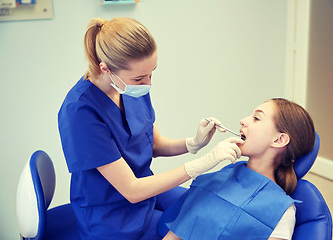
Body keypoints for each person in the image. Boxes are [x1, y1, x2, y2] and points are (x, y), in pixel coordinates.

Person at [58, 17, 242, 240]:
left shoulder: (130, 87)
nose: (148, 84)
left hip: (149, 192)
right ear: (106, 69)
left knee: (208, 207)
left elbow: (154, 143)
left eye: (151, 73)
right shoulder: (80, 111)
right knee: (197, 229)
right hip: (112, 216)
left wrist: (193, 143)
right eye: (139, 78)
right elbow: (132, 190)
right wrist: (203, 163)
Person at [159, 98, 316, 240]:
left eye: (256, 118)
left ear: (279, 139)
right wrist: (194, 146)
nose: (242, 121)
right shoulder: (219, 178)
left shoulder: (282, 212)